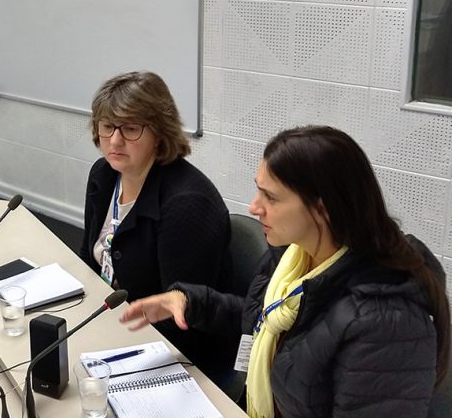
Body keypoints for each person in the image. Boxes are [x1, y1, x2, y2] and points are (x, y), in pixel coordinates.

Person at [120, 126, 450, 417]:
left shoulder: (385, 323)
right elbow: (261, 321)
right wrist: (189, 301)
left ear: (323, 209)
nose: (254, 206)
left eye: (271, 197)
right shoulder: (293, 255)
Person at [80, 71, 233, 376]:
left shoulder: (186, 203)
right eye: (108, 127)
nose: (115, 140)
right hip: (109, 324)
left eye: (131, 129)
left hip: (170, 351)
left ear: (159, 133)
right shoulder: (104, 174)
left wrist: (105, 344)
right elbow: (89, 260)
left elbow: (180, 320)